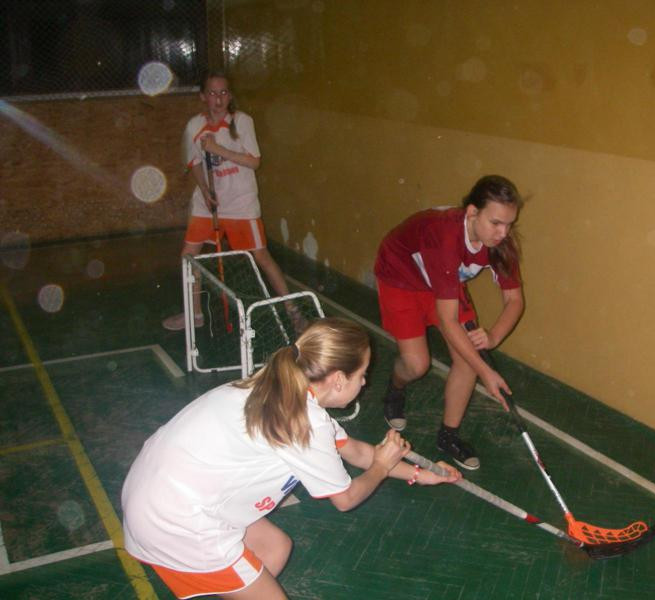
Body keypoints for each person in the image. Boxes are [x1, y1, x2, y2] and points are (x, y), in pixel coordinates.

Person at [122, 317, 460, 600]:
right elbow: (345, 498)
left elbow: (357, 451)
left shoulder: (284, 389)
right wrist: (381, 467)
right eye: (362, 374)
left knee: (274, 547)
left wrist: (422, 474)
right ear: (338, 380)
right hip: (177, 521)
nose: (365, 381)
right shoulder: (304, 421)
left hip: (159, 492)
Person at [373, 175, 524, 471]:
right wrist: (487, 372)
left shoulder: (502, 243)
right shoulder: (443, 237)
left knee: (467, 360)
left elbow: (514, 300)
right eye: (495, 223)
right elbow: (448, 318)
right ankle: (395, 388)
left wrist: (493, 337)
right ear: (472, 212)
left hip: (444, 284)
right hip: (400, 275)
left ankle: (448, 435)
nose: (503, 233)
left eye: (509, 224)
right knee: (416, 365)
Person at [162, 70, 291, 331]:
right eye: (212, 93)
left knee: (261, 256)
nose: (218, 99)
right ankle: (195, 314)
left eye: (223, 93)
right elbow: (195, 162)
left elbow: (254, 161)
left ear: (230, 96)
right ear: (203, 96)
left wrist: (218, 149)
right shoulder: (194, 126)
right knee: (189, 256)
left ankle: (294, 311)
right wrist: (204, 191)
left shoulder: (242, 122)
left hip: (241, 202)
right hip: (208, 202)